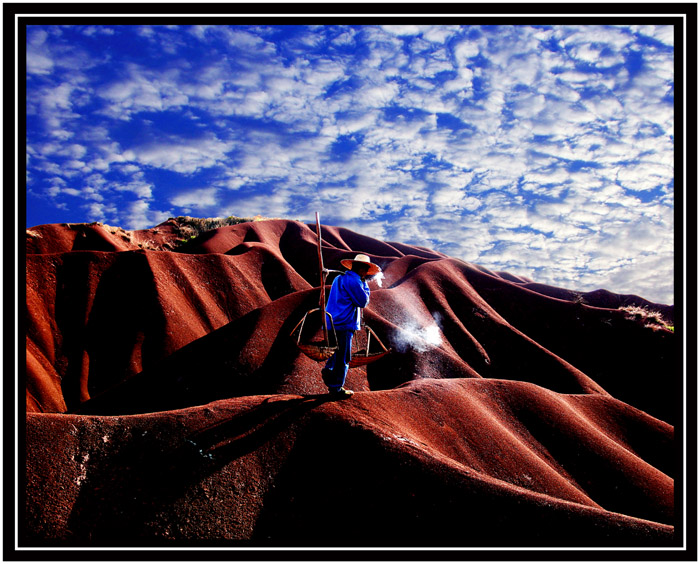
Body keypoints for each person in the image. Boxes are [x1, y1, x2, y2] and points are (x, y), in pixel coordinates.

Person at [321, 254, 380, 398]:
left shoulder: (338, 279)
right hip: (344, 323)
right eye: (366, 270)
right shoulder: (355, 282)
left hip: (331, 322)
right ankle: (336, 388)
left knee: (335, 352)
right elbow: (362, 302)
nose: (366, 274)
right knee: (344, 357)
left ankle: (329, 370)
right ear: (362, 269)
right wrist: (364, 284)